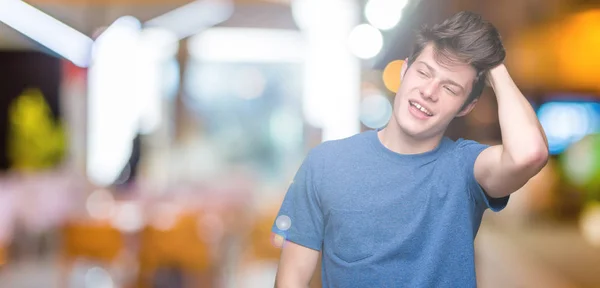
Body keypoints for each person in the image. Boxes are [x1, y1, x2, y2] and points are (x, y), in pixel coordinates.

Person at [271, 11, 549, 288]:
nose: (429, 91)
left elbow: (530, 154)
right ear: (404, 71)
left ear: (466, 107)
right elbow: (291, 278)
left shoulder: (465, 167)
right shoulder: (325, 162)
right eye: (424, 72)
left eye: (450, 88)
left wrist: (493, 64)